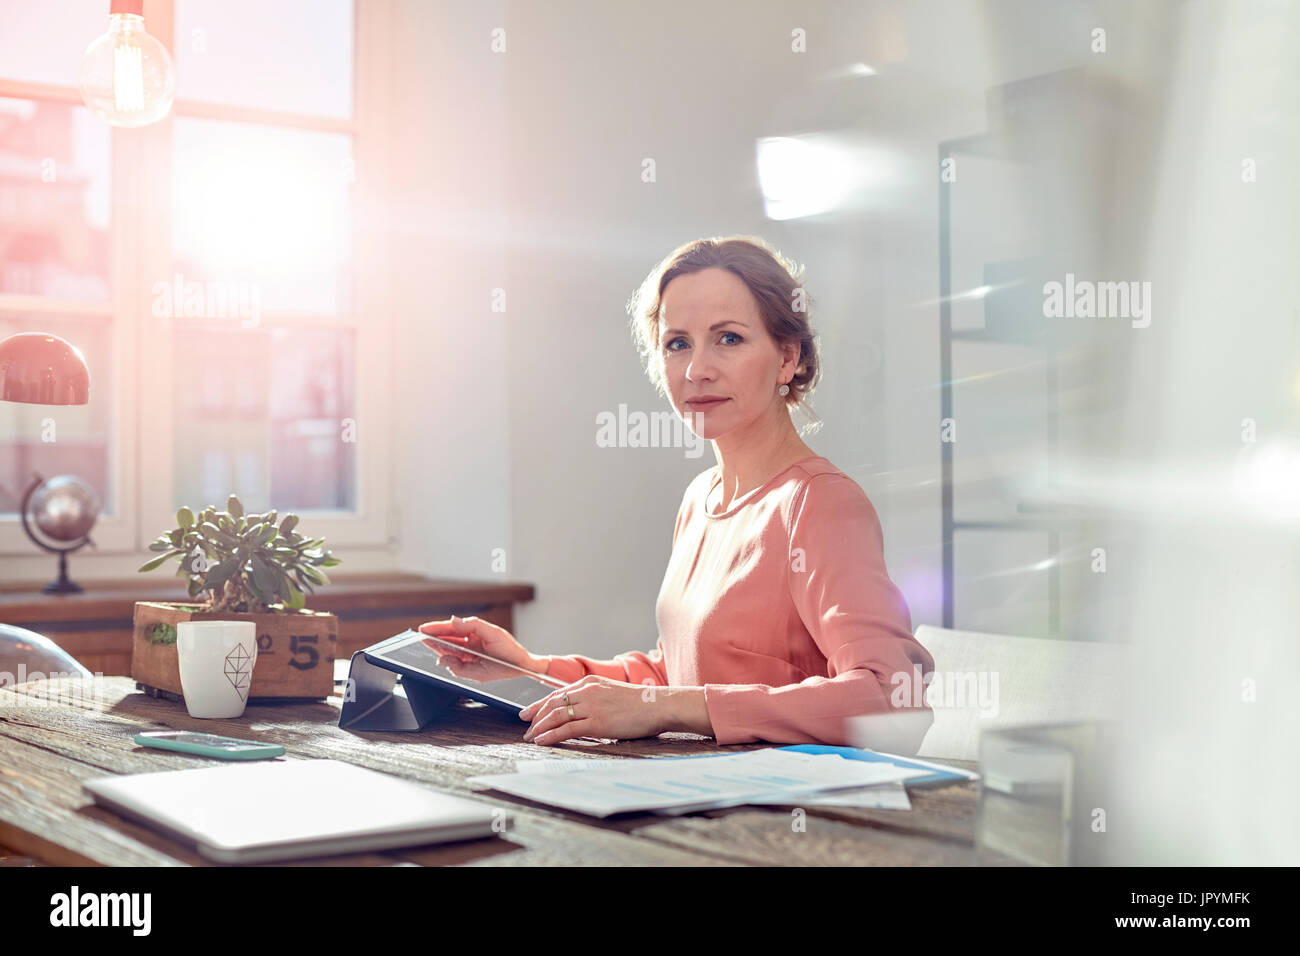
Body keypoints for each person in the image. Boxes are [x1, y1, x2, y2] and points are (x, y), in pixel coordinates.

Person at [419, 236, 936, 752]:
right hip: (697, 796)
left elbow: (893, 699)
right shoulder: (701, 499)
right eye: (677, 343)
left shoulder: (818, 502)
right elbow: (675, 674)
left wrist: (668, 708)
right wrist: (531, 668)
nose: (697, 370)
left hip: (790, 817)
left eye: (728, 339)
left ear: (787, 358)